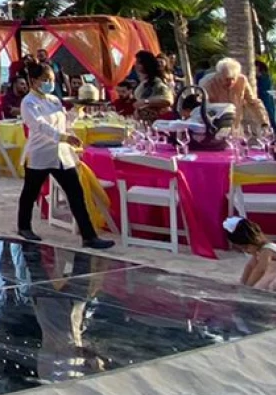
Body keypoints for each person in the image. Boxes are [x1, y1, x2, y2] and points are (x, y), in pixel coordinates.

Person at [15, 58, 114, 248]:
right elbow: (39, 126)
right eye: (45, 79)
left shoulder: (54, 100)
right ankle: (24, 226)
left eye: (51, 79)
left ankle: (88, 236)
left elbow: (64, 121)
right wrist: (62, 137)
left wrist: (77, 110)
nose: (49, 83)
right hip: (40, 153)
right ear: (34, 81)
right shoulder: (28, 102)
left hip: (61, 154)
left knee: (76, 192)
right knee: (30, 191)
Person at [202, 58, 265, 136]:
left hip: (236, 126)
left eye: (233, 79)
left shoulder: (242, 80)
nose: (231, 83)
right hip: (215, 128)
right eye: (227, 79)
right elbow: (204, 107)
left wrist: (264, 122)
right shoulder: (209, 83)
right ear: (219, 75)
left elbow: (253, 102)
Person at [130, 51, 174, 122]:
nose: (136, 65)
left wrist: (145, 101)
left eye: (139, 62)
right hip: (144, 122)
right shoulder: (144, 81)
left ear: (146, 64)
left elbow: (168, 100)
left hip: (156, 123)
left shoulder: (156, 81)